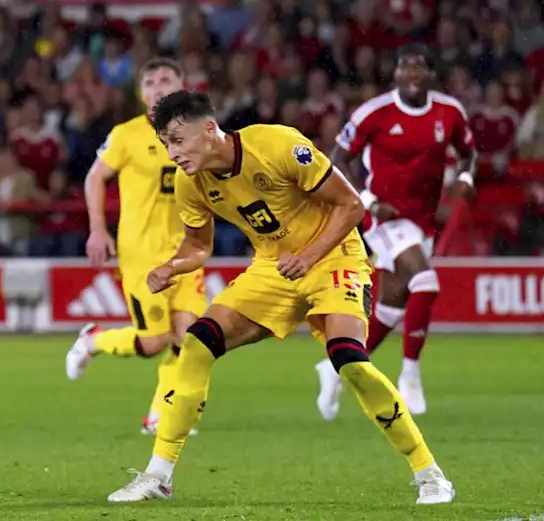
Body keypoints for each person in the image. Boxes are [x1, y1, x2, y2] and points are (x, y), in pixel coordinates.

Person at [106, 90, 454, 505]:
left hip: (332, 257)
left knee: (350, 362)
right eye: (165, 144)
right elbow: (198, 245)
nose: (172, 152)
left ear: (210, 128)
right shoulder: (190, 182)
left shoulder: (276, 144)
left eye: (178, 140)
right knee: (197, 343)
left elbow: (351, 206)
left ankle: (429, 472)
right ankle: (158, 475)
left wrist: (308, 258)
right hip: (273, 267)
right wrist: (173, 266)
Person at [315, 44, 476, 420]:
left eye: (420, 68)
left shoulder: (449, 112)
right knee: (426, 282)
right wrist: (368, 200)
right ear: (397, 74)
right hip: (383, 217)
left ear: (430, 74)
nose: (413, 74)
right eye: (406, 67)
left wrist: (466, 176)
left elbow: (467, 152)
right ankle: (411, 373)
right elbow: (338, 158)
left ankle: (336, 366)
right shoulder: (375, 112)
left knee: (391, 305)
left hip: (422, 220)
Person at [68, 58, 207, 437]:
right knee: (153, 342)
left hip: (187, 251)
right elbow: (95, 178)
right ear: (140, 92)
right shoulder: (126, 135)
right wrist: (97, 230)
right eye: (150, 81)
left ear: (183, 85)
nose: (158, 86)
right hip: (142, 254)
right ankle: (95, 340)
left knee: (190, 336)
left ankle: (161, 416)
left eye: (167, 79)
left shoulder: (201, 132)